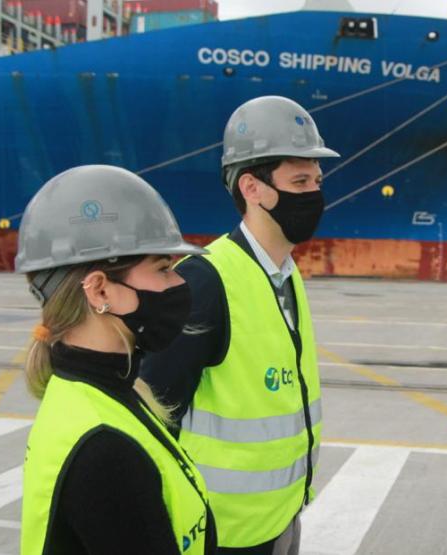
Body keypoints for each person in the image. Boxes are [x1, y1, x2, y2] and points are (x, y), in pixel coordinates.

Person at [139, 95, 339, 554]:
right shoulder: (206, 280)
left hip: (281, 516)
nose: (314, 193)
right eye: (300, 180)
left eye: (317, 180)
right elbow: (153, 413)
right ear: (252, 188)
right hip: (221, 532)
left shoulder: (286, 275)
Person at [17, 165, 215, 554]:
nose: (180, 284)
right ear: (99, 290)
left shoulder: (98, 392)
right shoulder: (105, 451)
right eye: (163, 269)